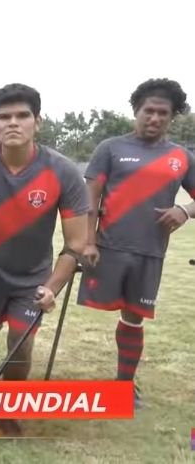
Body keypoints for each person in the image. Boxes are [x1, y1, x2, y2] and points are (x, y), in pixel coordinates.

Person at [0, 84, 88, 435]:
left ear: (38, 122)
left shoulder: (62, 170)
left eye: (22, 116)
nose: (13, 123)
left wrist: (52, 288)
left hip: (32, 277)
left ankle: (10, 404)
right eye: (4, 117)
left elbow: (75, 243)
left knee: (20, 341)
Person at [76, 79, 193, 408]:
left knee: (134, 316)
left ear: (172, 117)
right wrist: (88, 242)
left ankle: (124, 385)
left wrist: (184, 210)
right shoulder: (111, 148)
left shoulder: (181, 156)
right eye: (148, 111)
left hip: (150, 252)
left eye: (162, 113)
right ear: (136, 112)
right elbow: (91, 197)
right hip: (109, 246)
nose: (154, 118)